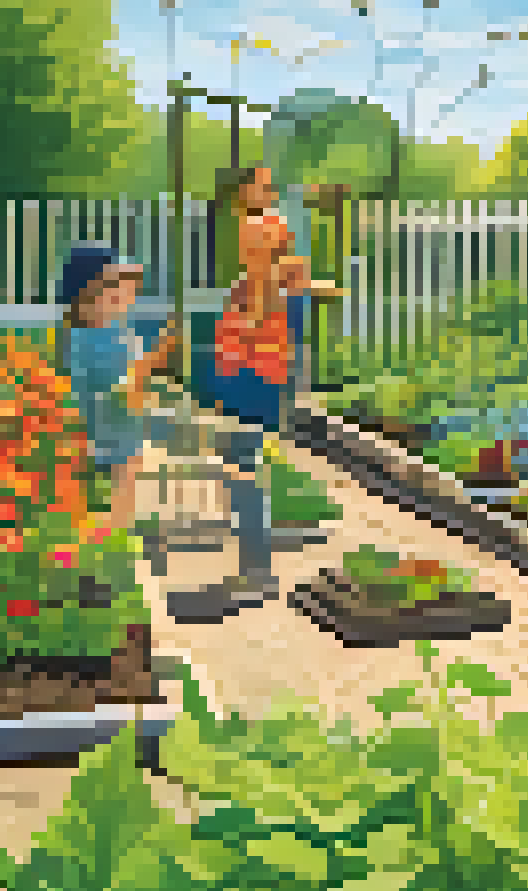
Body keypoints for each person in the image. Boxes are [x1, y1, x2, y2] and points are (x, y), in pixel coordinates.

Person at [168, 164, 341, 622]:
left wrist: (238, 324)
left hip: (252, 375)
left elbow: (260, 315)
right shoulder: (264, 262)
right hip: (255, 374)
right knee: (241, 468)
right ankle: (254, 565)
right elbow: (279, 300)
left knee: (241, 469)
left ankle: (256, 573)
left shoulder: (261, 255)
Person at [56, 244, 180, 532]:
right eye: (113, 284)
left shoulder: (108, 329)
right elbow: (126, 393)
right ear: (88, 293)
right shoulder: (91, 340)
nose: (126, 291)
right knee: (112, 525)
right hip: (109, 450)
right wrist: (157, 356)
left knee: (112, 521)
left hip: (113, 442)